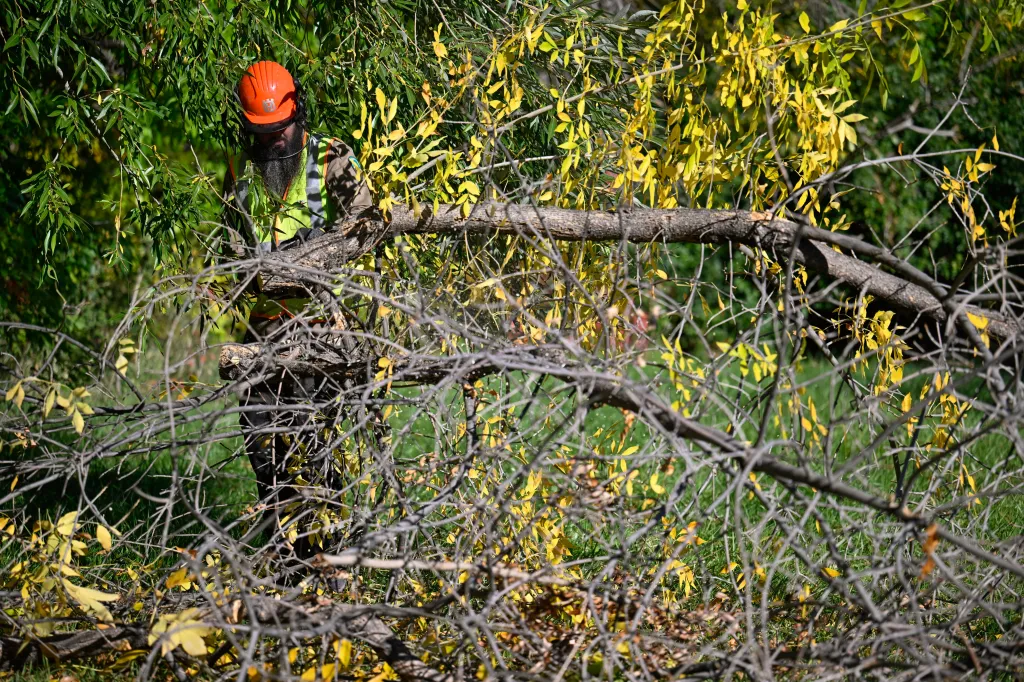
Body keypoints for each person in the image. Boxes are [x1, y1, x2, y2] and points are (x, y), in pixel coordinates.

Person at [221, 60, 376, 566]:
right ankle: (282, 564)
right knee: (266, 455)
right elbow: (224, 251)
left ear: (298, 113)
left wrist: (320, 248)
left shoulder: (334, 158)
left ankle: (331, 561)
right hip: (259, 331)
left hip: (318, 331)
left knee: (315, 446)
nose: (273, 144)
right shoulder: (235, 169)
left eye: (279, 131)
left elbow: (368, 227)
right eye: (261, 135)